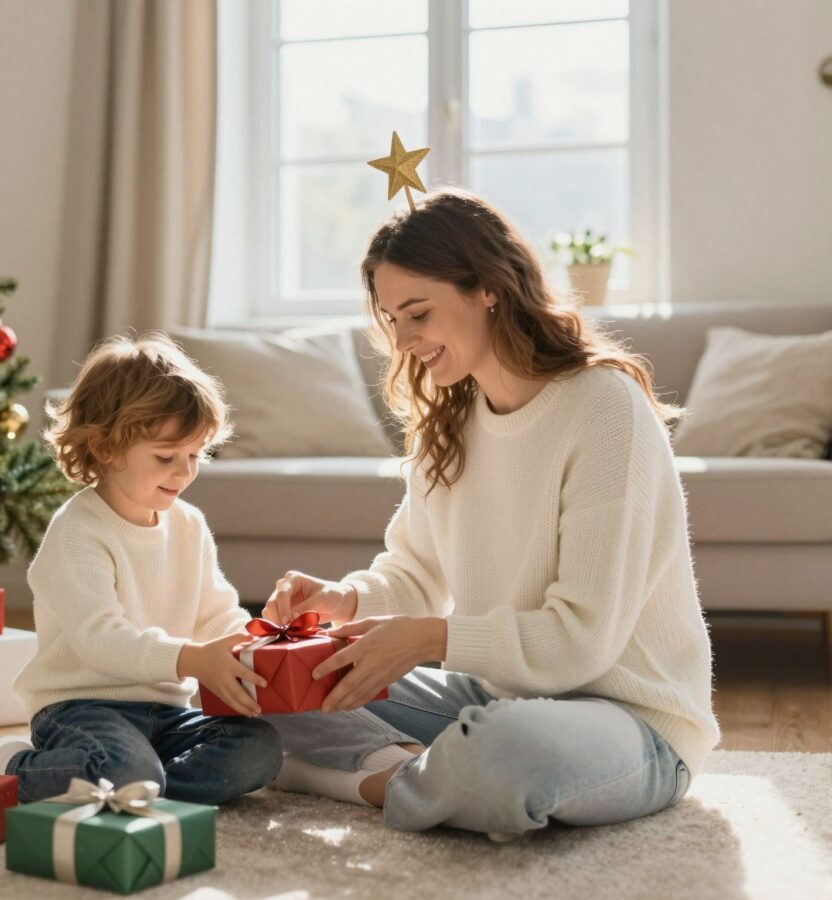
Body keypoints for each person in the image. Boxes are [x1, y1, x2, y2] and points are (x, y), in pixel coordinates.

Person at [265, 188, 720, 841]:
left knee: (506, 749)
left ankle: (353, 777)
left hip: (631, 723)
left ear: (487, 288)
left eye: (417, 312)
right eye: (392, 319)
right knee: (267, 676)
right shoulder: (447, 423)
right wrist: (343, 600)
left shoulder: (604, 408)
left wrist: (430, 639)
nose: (405, 339)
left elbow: (580, 642)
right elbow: (415, 572)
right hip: (496, 695)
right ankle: (423, 776)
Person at [0, 333, 282, 804]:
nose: (184, 473)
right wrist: (192, 660)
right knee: (124, 766)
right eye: (165, 457)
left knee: (259, 748)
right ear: (104, 447)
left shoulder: (189, 525)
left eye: (195, 455)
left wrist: (260, 643)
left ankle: (141, 789)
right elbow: (102, 640)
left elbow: (216, 613)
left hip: (166, 711)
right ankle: (13, 768)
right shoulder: (78, 531)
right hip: (81, 707)